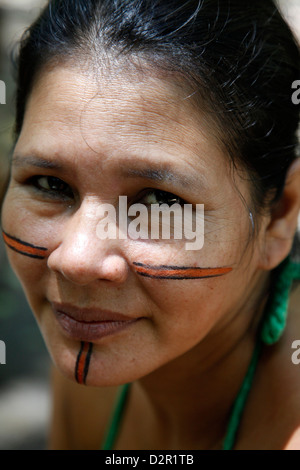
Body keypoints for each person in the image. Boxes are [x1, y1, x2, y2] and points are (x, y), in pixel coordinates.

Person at [1, 0, 300, 450]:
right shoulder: (88, 364)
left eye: (159, 201)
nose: (76, 261)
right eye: (50, 184)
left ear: (278, 216)